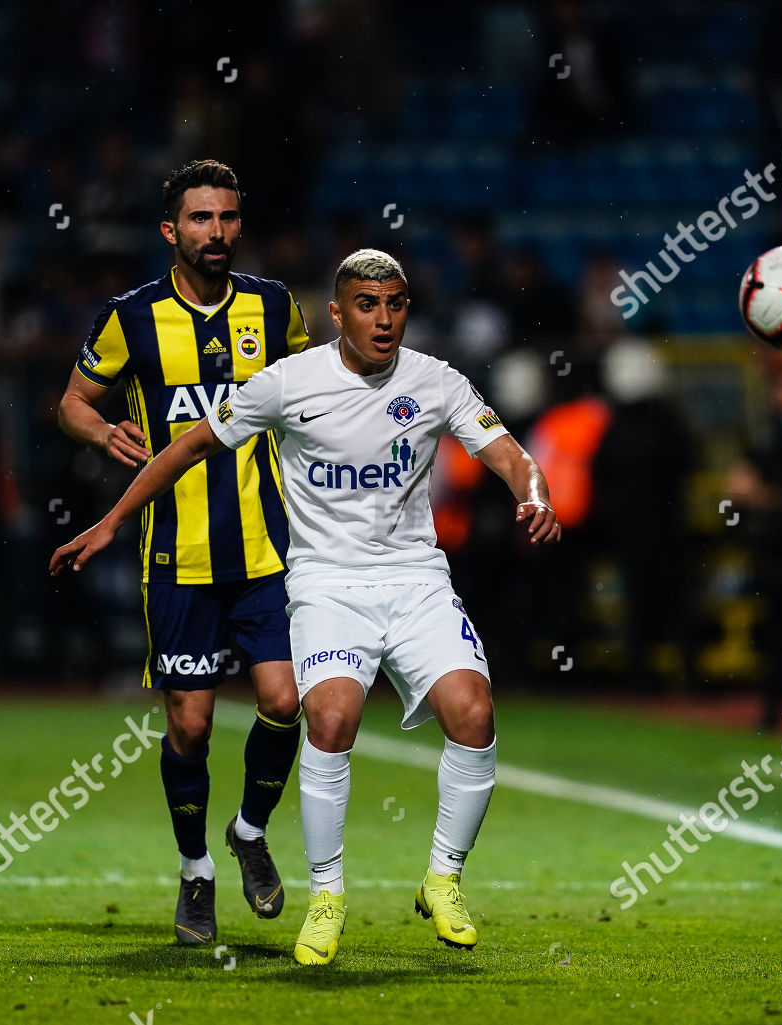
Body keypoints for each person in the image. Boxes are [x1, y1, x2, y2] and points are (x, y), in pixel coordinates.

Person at [50, 249, 560, 966]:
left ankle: (443, 878)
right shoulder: (288, 383)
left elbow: (508, 451)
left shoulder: (435, 380)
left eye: (396, 304)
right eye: (367, 305)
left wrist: (532, 492)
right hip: (326, 584)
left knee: (474, 712)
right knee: (328, 716)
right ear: (338, 312)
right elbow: (188, 445)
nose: (384, 320)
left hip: (415, 580)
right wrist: (111, 520)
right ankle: (327, 896)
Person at [55, 160, 311, 946]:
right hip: (177, 557)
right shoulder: (129, 318)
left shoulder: (274, 308)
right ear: (171, 231)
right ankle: (197, 870)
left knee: (285, 700)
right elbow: (71, 400)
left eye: (229, 218)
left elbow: (310, 393)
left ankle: (249, 831)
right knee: (191, 727)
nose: (218, 232)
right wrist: (102, 431)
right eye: (201, 219)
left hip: (267, 548)